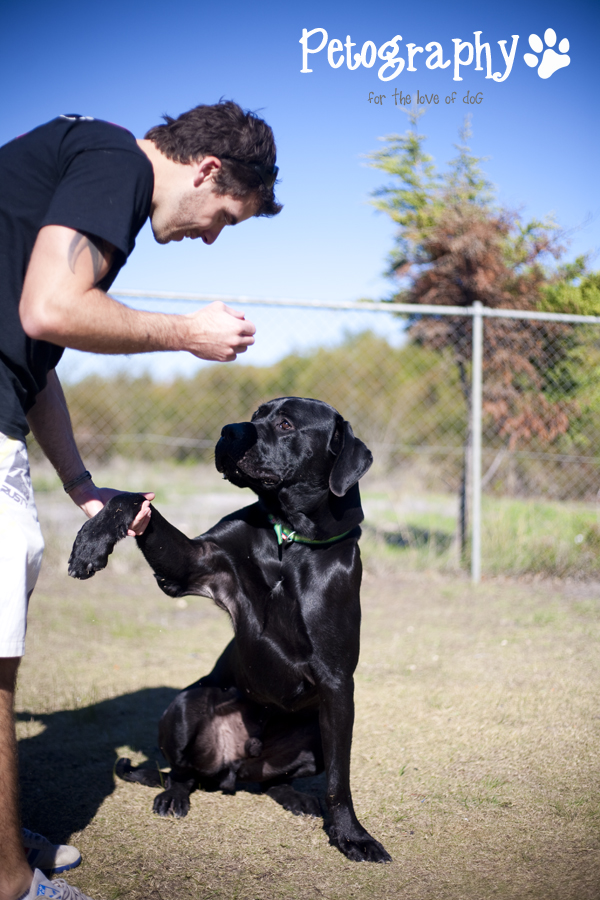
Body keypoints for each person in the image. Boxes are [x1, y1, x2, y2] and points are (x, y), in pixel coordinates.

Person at [0, 100, 281, 900]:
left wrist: (81, 485)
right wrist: (186, 334)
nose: (213, 235)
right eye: (224, 215)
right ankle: (9, 883)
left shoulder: (77, 167)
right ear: (207, 170)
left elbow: (36, 355)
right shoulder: (115, 161)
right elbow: (50, 309)